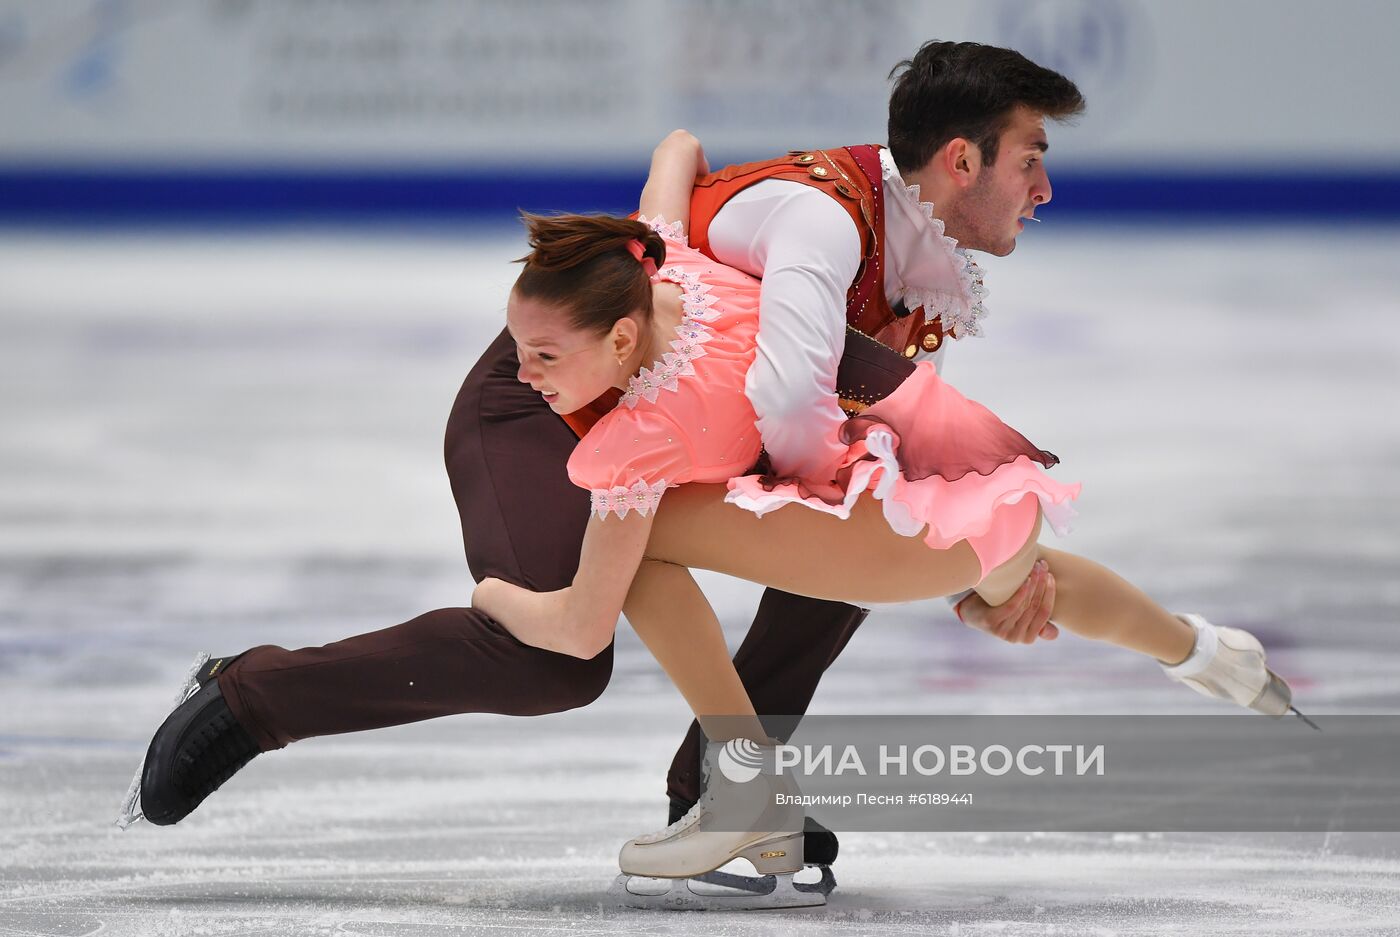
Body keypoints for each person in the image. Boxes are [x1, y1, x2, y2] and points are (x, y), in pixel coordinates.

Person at [122, 42, 1121, 876]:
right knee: (554, 659)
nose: (1043, 186)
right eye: (1029, 158)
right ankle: (252, 695)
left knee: (847, 550)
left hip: (672, 418)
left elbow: (684, 166)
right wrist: (975, 555)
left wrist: (973, 555)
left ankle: (726, 783)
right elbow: (789, 402)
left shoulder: (912, 271)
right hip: (542, 409)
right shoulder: (822, 221)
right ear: (958, 161)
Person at [470, 196, 1295, 891]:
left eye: (544, 354)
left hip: (908, 534)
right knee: (1039, 578)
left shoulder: (633, 444)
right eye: (519, 351)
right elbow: (676, 150)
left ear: (621, 338)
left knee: (635, 549)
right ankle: (1209, 653)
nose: (525, 374)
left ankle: (750, 790)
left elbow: (582, 628)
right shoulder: (683, 269)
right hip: (980, 473)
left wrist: (494, 596)